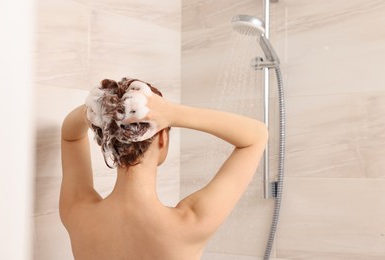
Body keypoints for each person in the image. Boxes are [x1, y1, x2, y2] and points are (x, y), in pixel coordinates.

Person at [60, 77, 268, 260]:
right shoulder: (190, 224)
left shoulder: (78, 212)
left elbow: (70, 136)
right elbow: (257, 135)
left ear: (108, 138)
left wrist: (102, 110)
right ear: (163, 138)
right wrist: (172, 112)